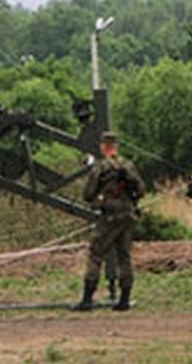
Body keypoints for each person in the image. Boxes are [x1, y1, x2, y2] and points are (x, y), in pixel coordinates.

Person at [74, 131, 144, 311]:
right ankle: (124, 300)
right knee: (124, 256)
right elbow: (141, 190)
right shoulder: (128, 165)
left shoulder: (101, 167)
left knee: (96, 254)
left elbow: (88, 195)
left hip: (109, 216)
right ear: (116, 146)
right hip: (128, 215)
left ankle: (87, 299)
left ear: (103, 146)